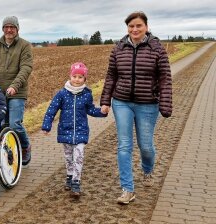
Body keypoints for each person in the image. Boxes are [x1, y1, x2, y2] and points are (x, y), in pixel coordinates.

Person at [100, 11, 172, 204]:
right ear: (127, 29)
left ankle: (147, 169)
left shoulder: (157, 49)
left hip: (148, 104)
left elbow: (165, 78)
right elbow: (111, 76)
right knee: (124, 145)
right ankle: (127, 189)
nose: (135, 29)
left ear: (146, 27)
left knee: (145, 146)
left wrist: (165, 103)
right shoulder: (119, 48)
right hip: (121, 102)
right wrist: (106, 101)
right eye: (131, 26)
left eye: (138, 26)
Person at [42, 62, 107, 199]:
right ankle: (69, 175)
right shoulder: (62, 94)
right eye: (74, 76)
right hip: (65, 130)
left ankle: (76, 182)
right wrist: (46, 125)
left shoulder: (87, 94)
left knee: (79, 155)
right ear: (70, 76)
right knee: (68, 156)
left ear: (85, 79)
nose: (77, 79)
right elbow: (51, 109)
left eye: (80, 77)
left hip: (81, 130)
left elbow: (90, 110)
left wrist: (102, 112)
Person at [0, 16, 33, 166]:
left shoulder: (24, 45)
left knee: (14, 124)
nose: (9, 30)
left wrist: (15, 85)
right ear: (2, 29)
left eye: (12, 27)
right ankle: (4, 151)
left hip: (17, 92)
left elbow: (26, 68)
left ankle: (25, 147)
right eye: (6, 27)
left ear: (17, 29)